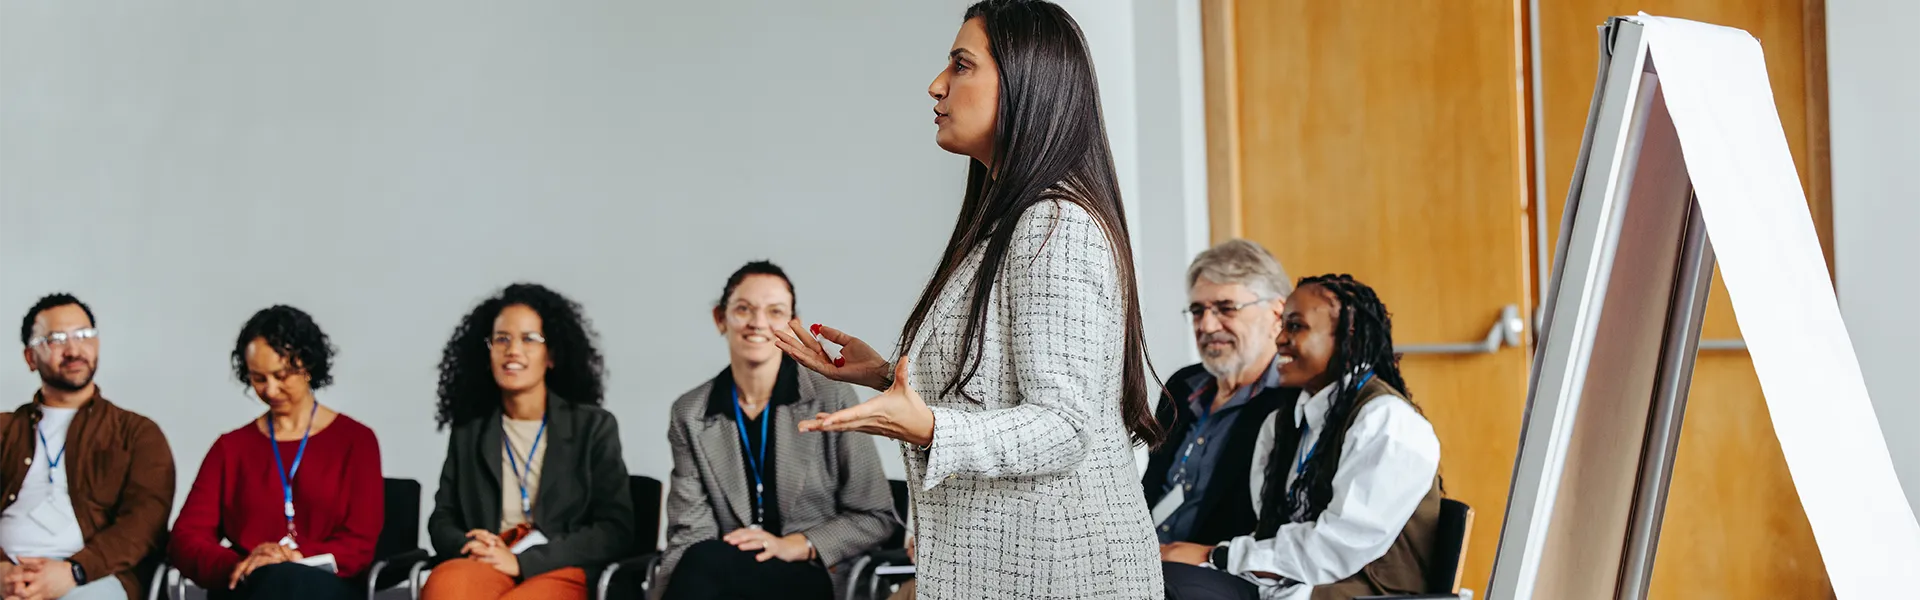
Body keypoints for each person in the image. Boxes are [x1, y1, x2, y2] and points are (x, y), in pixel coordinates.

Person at [770, 1, 1165, 597]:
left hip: (1061, 575)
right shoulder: (1010, 223)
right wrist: (883, 375)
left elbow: (1063, 425)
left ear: (1026, 82)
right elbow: (998, 390)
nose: (936, 85)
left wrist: (929, 428)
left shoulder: (1055, 225)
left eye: (961, 65)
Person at [1160, 275, 1444, 600]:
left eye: (1296, 327)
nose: (1280, 339)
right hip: (1283, 588)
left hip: (1362, 593)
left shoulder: (1386, 421)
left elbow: (1335, 549)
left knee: (1171, 587)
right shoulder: (1283, 424)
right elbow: (1271, 530)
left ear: (1348, 338)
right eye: (1282, 326)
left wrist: (1216, 556)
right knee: (1155, 580)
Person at [657, 262, 898, 600]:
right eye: (743, 309)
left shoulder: (831, 395)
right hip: (723, 573)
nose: (758, 323)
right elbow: (691, 532)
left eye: (775, 311)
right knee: (702, 557)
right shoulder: (691, 412)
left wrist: (795, 545)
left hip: (812, 571)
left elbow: (876, 517)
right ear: (720, 318)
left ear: (791, 324)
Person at [420, 283, 634, 600]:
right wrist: (472, 546)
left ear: (552, 355)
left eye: (529, 339)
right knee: (447, 590)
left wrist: (522, 561)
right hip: (486, 561)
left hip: (560, 566)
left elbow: (614, 529)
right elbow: (443, 518)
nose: (513, 351)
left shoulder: (593, 427)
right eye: (501, 339)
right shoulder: (470, 430)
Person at [168, 306, 384, 600]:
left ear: (308, 366)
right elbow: (186, 538)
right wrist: (245, 564)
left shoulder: (356, 441)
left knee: (285, 581)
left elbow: (359, 543)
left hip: (325, 586)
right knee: (270, 580)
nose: (270, 390)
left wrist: (290, 557)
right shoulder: (230, 448)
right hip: (248, 584)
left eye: (282, 376)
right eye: (258, 378)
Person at [0, 294, 175, 600]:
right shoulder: (4, 431)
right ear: (30, 357)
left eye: (83, 335)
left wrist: (75, 571)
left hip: (94, 579)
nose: (73, 349)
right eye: (56, 339)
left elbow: (145, 523)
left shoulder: (136, 434)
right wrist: (3, 572)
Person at [1144, 240, 1295, 547]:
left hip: (1220, 568)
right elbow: (1151, 487)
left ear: (1277, 314)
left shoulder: (1291, 399)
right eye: (1198, 311)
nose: (1208, 325)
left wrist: (1208, 558)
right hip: (1148, 558)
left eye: (1227, 308)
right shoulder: (1183, 385)